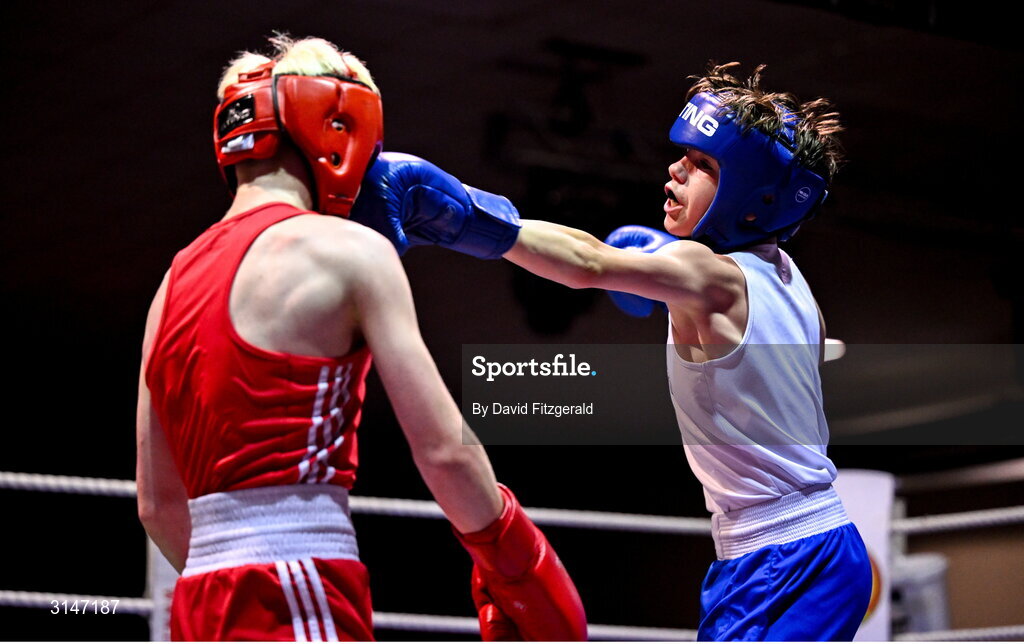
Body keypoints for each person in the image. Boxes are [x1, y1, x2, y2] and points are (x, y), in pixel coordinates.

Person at [350, 61, 872, 641]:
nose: (675, 168)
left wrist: (468, 219)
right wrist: (667, 281)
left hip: (785, 556)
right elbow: (805, 342)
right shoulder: (787, 277)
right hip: (801, 547)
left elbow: (589, 263)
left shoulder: (709, 275)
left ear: (753, 199)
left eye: (703, 165)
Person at [135, 35, 586, 642]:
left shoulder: (172, 281)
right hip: (300, 582)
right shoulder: (349, 252)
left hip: (199, 601)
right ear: (339, 127)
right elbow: (443, 451)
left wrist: (232, 578)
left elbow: (158, 506)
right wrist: (516, 565)